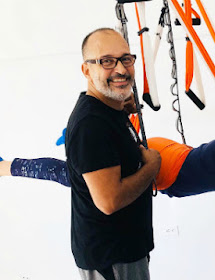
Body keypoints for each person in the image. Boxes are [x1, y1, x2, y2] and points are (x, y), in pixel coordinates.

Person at [0, 89, 215, 277]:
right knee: (73, 176)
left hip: (173, 154)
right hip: (163, 166)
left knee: (81, 171)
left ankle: (83, 140)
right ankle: (8, 166)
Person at [69, 27, 161, 280]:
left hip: (125, 250)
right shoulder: (92, 124)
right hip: (111, 257)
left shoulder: (108, 109)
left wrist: (122, 104)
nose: (120, 69)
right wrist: (152, 167)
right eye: (106, 61)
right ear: (86, 70)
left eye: (125, 59)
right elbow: (109, 201)